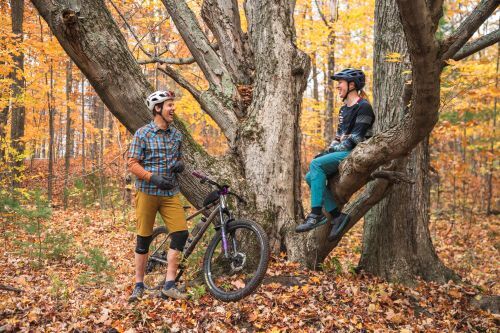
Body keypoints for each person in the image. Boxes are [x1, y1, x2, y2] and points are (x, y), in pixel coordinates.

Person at [295, 68, 375, 241]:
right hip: (343, 151)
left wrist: (329, 153)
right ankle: (337, 216)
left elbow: (355, 140)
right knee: (310, 176)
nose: (338, 86)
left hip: (355, 153)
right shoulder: (343, 110)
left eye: (340, 83)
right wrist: (326, 151)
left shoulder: (364, 107)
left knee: (315, 165)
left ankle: (316, 214)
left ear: (352, 85)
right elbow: (338, 138)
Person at [127, 90, 189, 302]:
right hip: (147, 192)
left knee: (180, 234)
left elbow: (178, 157)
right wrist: (152, 178)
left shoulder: (176, 135)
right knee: (143, 239)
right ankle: (139, 284)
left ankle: (169, 284)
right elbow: (132, 164)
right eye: (169, 105)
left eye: (173, 104)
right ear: (157, 108)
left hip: (170, 193)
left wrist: (180, 165)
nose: (173, 109)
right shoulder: (142, 134)